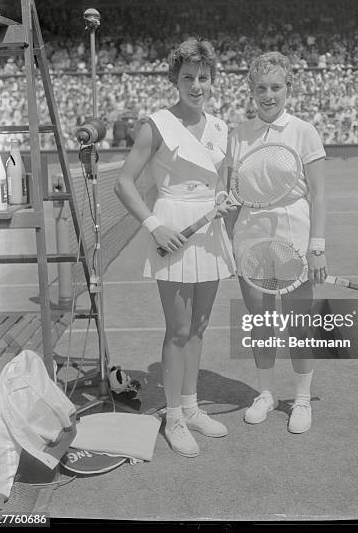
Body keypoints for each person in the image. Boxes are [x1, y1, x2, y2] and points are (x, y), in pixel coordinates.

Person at [114, 38, 235, 458]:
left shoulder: (221, 127)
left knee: (199, 328)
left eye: (203, 78)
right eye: (188, 78)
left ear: (212, 80)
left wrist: (223, 199)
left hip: (209, 232)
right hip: (172, 228)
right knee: (179, 329)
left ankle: (191, 406)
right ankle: (174, 417)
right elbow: (123, 182)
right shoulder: (156, 123)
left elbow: (219, 184)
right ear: (174, 79)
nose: (196, 85)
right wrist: (153, 224)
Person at [226, 52, 327, 434]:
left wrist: (316, 245)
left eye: (276, 87)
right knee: (260, 322)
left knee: (298, 322)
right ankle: (266, 393)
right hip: (249, 237)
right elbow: (234, 194)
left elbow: (318, 194)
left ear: (288, 88)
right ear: (251, 91)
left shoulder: (304, 131)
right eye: (261, 88)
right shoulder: (239, 133)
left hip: (294, 235)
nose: (268, 95)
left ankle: (301, 398)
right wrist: (226, 242)